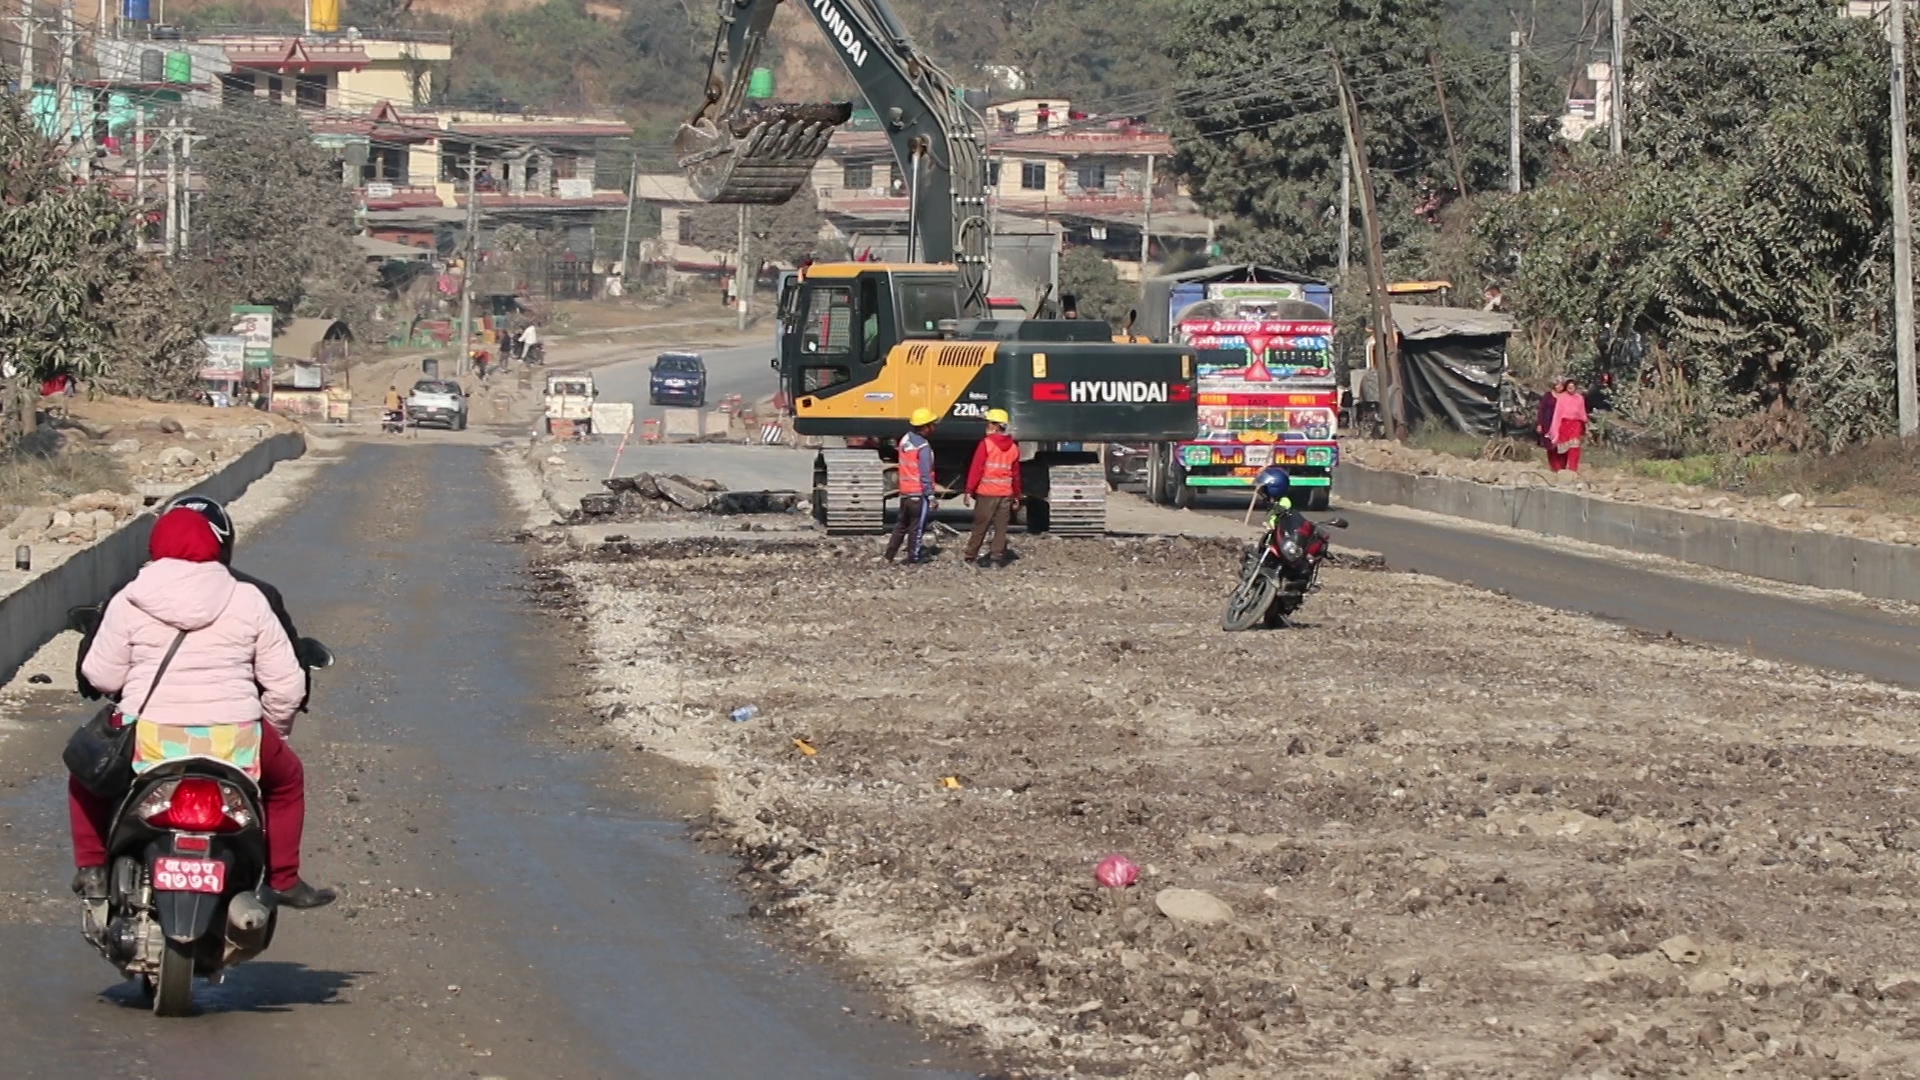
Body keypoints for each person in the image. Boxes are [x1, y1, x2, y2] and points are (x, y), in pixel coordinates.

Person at [68, 509, 334, 909]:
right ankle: (283, 880)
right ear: (217, 545)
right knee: (288, 780)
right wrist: (273, 731)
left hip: (151, 738)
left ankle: (92, 870)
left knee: (86, 773)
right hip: (234, 738)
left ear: (155, 545)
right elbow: (287, 683)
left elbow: (101, 675)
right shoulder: (248, 598)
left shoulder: (130, 597)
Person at [962, 408, 1022, 567]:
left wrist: (969, 490)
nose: (987, 426)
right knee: (1001, 528)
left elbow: (977, 468)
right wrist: (1016, 495)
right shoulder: (1014, 447)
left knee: (980, 526)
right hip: (1005, 493)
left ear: (996, 425)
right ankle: (996, 558)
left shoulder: (986, 444)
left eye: (989, 423)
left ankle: (970, 556)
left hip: (987, 493)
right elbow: (1015, 475)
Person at [885, 408, 939, 565]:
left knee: (901, 525)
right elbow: (925, 473)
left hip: (905, 492)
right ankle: (913, 558)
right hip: (918, 494)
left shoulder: (905, 440)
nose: (934, 427)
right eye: (932, 424)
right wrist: (931, 495)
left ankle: (889, 555)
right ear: (926, 427)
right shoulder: (923, 447)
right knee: (917, 528)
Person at [1550, 377, 1590, 472]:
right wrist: (1555, 428)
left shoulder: (1579, 398)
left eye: (1572, 387)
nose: (1571, 389)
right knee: (1563, 448)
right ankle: (1561, 468)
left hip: (1575, 424)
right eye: (1569, 387)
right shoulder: (1562, 398)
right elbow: (1557, 414)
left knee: (1574, 447)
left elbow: (1582, 412)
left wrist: (1586, 423)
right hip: (1564, 425)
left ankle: (1573, 468)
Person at [1536, 380, 1564, 470]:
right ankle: (1553, 466)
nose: (1559, 387)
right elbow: (1542, 409)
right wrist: (1540, 423)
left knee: (1561, 445)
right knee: (1550, 445)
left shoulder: (1565, 397)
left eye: (1561, 385)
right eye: (1557, 385)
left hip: (1560, 423)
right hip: (1548, 422)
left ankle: (1561, 465)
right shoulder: (1548, 396)